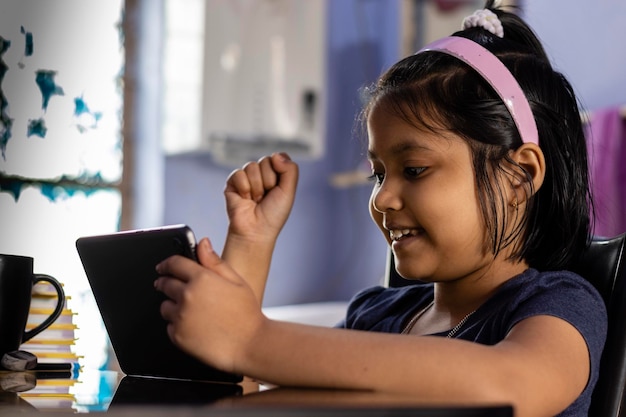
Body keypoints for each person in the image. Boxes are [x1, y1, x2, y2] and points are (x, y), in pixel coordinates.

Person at [153, 2, 607, 416]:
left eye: (413, 169)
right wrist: (251, 245)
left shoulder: (557, 305)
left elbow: (514, 386)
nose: (382, 198)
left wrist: (251, 338)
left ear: (519, 178)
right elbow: (245, 401)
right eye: (378, 174)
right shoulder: (372, 318)